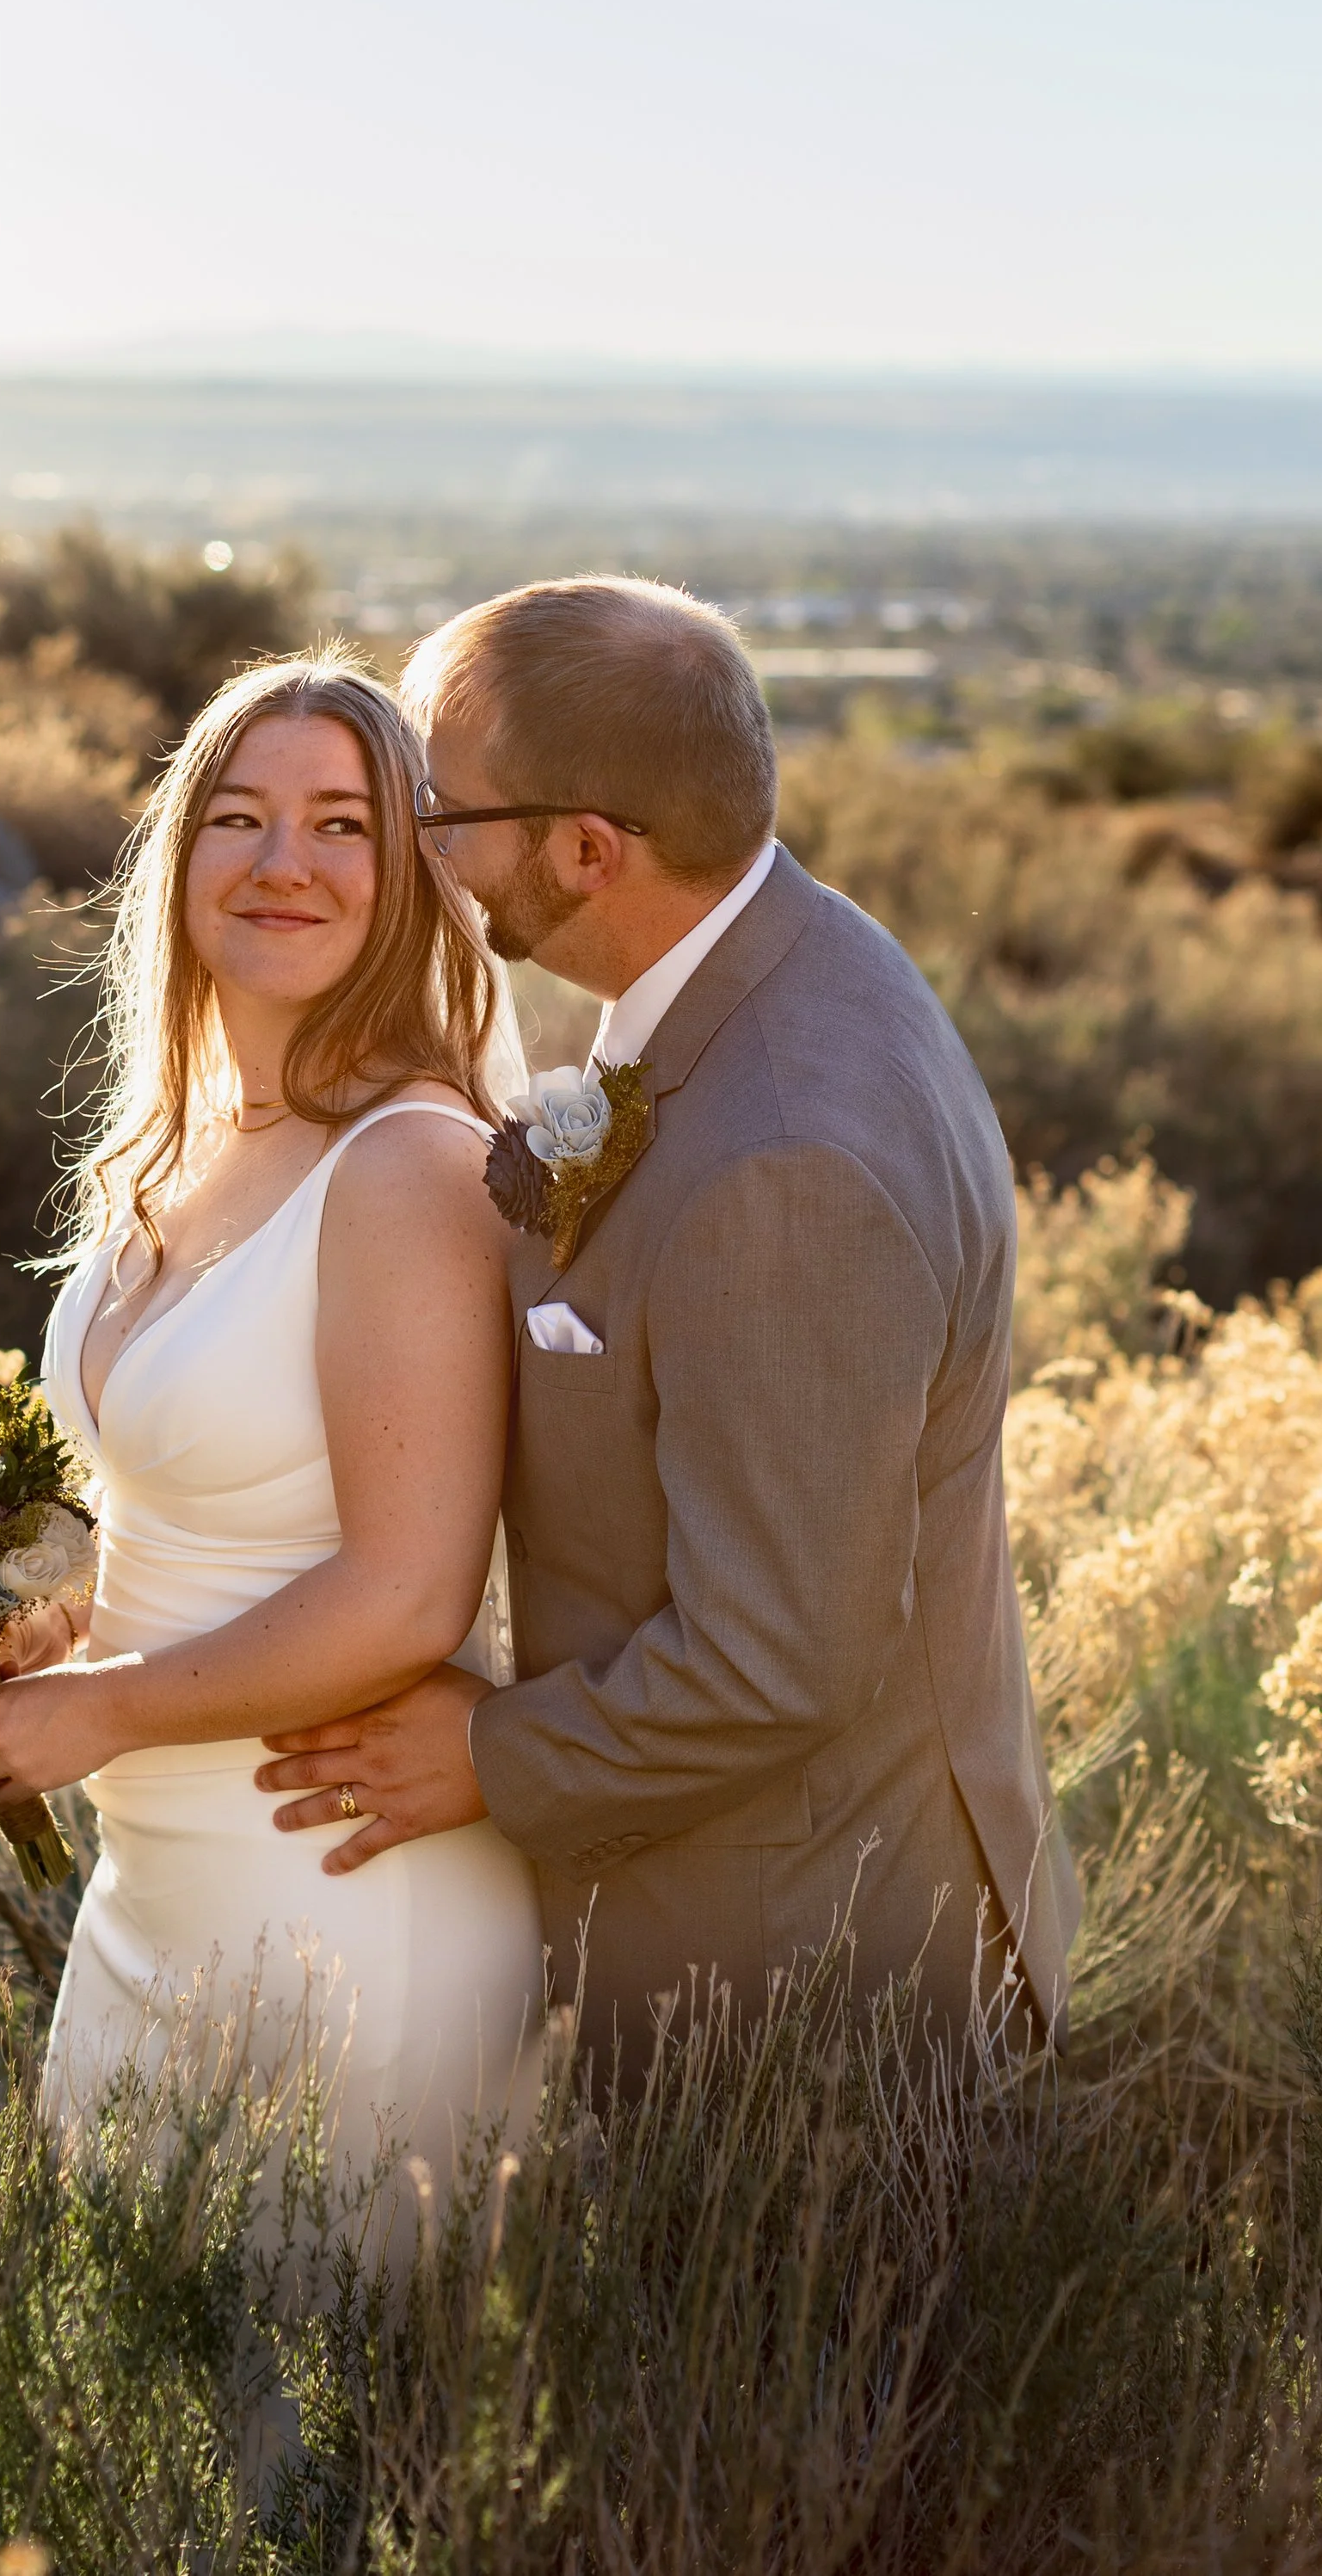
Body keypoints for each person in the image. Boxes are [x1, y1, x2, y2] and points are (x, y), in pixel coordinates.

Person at [256, 577, 1079, 2077]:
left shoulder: (784, 1163)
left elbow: (774, 1658)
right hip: (766, 1920)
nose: (425, 848)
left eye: (447, 813)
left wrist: (488, 1759)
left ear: (588, 848)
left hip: (812, 1986)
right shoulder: (781, 955)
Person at [0, 656, 543, 2179]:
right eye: (240, 818)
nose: (282, 865)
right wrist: (48, 1636)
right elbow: (179, 1508)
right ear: (180, 857)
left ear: (411, 878)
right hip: (154, 1892)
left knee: (330, 2407)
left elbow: (405, 1590)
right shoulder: (173, 1153)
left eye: (343, 826)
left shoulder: (408, 1166)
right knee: (139, 2388)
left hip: (336, 1889)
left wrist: (102, 1707)